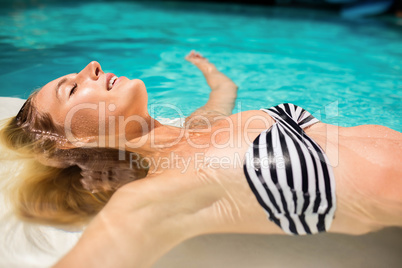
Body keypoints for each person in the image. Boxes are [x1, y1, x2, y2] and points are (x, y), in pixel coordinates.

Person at [0, 51, 401, 267]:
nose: (92, 66)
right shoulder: (158, 192)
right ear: (72, 143)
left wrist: (214, 76)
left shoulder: (199, 130)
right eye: (71, 89)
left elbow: (222, 97)